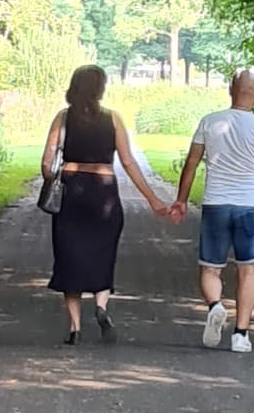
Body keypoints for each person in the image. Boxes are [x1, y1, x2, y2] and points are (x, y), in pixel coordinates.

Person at [42, 65, 167, 345]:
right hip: (104, 193)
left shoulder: (62, 118)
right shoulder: (113, 119)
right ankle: (101, 306)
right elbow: (128, 162)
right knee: (102, 253)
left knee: (69, 257)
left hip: (72, 192)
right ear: (100, 88)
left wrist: (53, 177)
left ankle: (74, 327)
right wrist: (153, 198)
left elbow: (47, 162)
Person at [169, 69, 254, 354]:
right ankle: (241, 335)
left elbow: (192, 163)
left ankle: (216, 306)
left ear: (231, 91)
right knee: (248, 271)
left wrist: (181, 199)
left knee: (210, 268)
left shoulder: (209, 122)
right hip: (249, 207)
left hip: (216, 204)